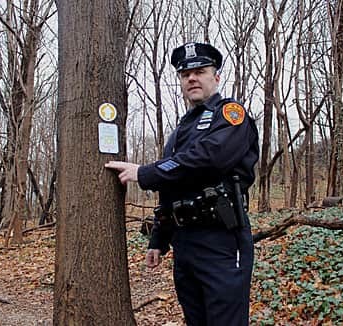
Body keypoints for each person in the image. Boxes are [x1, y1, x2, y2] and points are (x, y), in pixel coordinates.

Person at [105, 42, 259, 326]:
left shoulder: (231, 115)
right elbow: (172, 188)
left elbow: (210, 158)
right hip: (185, 243)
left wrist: (146, 172)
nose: (192, 78)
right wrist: (159, 240)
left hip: (221, 240)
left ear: (216, 77)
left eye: (200, 71)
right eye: (185, 74)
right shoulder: (179, 131)